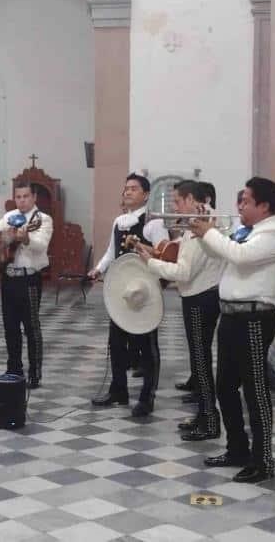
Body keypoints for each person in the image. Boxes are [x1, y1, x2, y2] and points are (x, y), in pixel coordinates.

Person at [190, 176, 275, 483]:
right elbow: (220, 256)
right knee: (225, 387)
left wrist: (211, 232)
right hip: (232, 318)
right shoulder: (247, 230)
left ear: (264, 205)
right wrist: (203, 234)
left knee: (255, 390)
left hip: (254, 319)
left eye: (245, 200)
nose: (240, 205)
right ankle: (237, 449)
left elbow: (240, 257)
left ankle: (263, 461)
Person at [137, 180, 224, 440]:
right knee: (200, 362)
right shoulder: (196, 223)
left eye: (177, 201)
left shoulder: (202, 226)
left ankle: (210, 421)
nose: (174, 206)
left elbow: (183, 273)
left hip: (200, 299)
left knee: (201, 361)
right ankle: (204, 414)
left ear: (191, 200)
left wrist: (151, 263)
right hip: (199, 297)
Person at [89, 173, 169, 416]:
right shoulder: (119, 221)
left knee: (147, 345)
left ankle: (147, 397)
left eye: (133, 188)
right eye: (126, 188)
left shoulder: (154, 222)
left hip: (145, 291)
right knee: (116, 342)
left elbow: (164, 255)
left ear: (145, 194)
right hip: (121, 289)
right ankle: (118, 390)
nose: (128, 192)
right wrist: (98, 268)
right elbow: (111, 252)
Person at [0, 180, 53, 388]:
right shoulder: (8, 218)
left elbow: (41, 247)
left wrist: (27, 239)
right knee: (10, 327)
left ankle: (35, 373)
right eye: (18, 197)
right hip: (8, 277)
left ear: (34, 197)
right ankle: (14, 369)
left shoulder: (42, 219)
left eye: (26, 197)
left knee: (31, 328)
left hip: (29, 279)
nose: (21, 201)